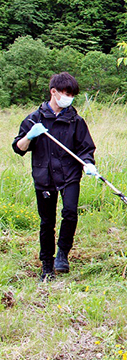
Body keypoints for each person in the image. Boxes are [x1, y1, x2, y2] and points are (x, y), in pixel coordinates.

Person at [12, 73, 97, 281]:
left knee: (69, 213)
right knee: (46, 222)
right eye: (66, 93)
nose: (69, 98)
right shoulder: (34, 119)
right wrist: (29, 135)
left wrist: (88, 163)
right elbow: (18, 148)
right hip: (44, 177)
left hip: (69, 174)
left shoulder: (75, 121)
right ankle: (47, 266)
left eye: (72, 95)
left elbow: (86, 148)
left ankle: (62, 255)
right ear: (54, 92)